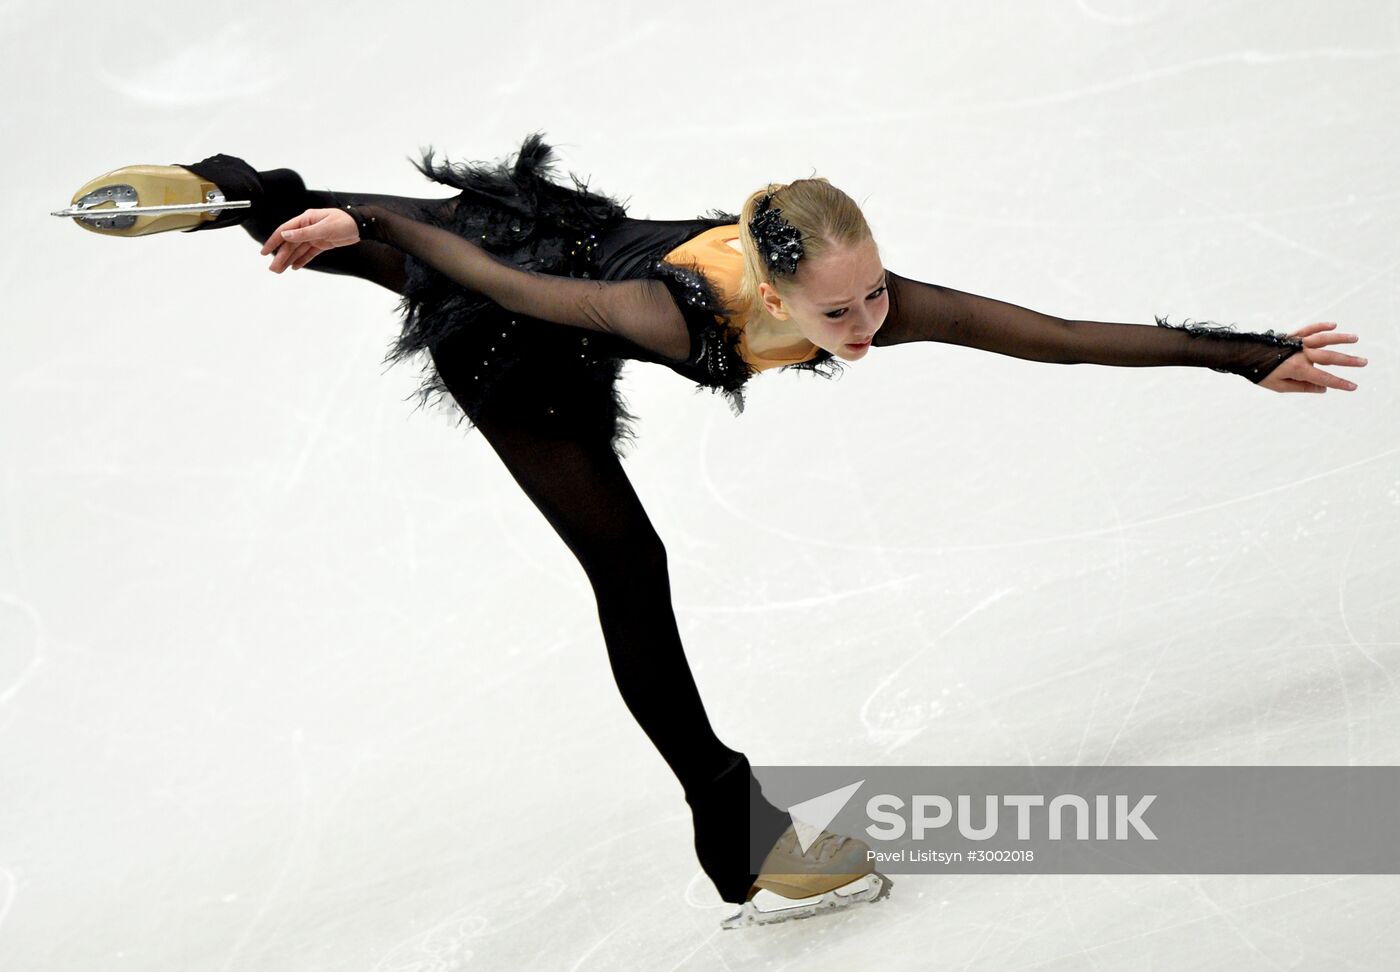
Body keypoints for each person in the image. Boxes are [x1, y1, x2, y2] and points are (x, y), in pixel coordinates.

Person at [55, 132, 1365, 928]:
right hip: (530, 329)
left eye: (873, 299)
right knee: (624, 557)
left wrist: (1243, 355)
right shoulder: (675, 315)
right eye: (839, 313)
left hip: (564, 255)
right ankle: (729, 831)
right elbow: (507, 288)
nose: (865, 331)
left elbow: (1060, 339)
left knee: (366, 224)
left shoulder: (873, 293)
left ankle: (236, 192)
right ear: (776, 278)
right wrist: (380, 229)